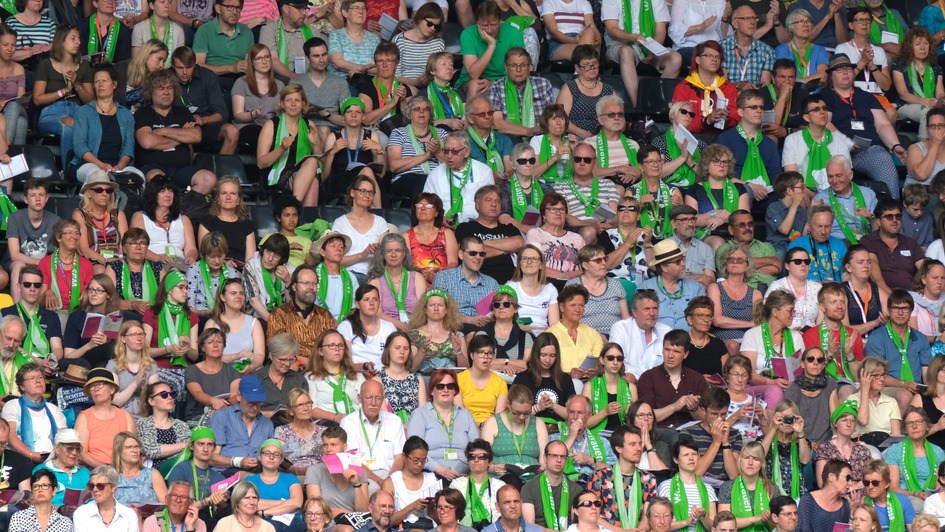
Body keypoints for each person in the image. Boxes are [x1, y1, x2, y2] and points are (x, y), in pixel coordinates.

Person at [821, 55, 903, 200]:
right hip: (837, 150)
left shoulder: (867, 96)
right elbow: (824, 122)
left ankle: (892, 209)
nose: (845, 72)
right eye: (840, 70)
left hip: (868, 149)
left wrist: (895, 145)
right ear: (831, 75)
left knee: (883, 158)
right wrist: (844, 141)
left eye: (848, 69)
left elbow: (883, 124)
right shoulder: (826, 96)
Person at [133, 69, 217, 189]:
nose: (166, 92)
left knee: (209, 179)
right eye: (161, 88)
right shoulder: (143, 113)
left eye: (170, 88)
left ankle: (189, 206)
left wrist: (163, 131)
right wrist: (182, 136)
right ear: (151, 91)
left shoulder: (183, 112)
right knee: (158, 180)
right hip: (153, 167)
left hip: (181, 168)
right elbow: (147, 142)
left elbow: (196, 136)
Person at [71, 64, 142, 185]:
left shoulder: (126, 115)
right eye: (96, 81)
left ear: (114, 84)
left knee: (139, 177)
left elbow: (128, 149)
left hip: (117, 165)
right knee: (99, 177)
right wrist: (101, 165)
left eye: (104, 81)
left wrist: (119, 167)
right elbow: (79, 147)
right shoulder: (84, 111)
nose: (100, 84)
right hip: (88, 164)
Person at [32, 25, 93, 163]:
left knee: (85, 125)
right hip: (51, 112)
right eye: (73, 39)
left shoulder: (84, 66)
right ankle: (69, 174)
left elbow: (90, 101)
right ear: (61, 41)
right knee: (70, 124)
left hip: (79, 111)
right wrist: (64, 91)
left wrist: (76, 83)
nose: (78, 42)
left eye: (79, 39)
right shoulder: (46, 65)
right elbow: (37, 99)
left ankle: (80, 171)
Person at [865, 290, 932, 412]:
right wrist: (903, 384)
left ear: (911, 310)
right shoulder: (876, 337)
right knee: (905, 395)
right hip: (885, 387)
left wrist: (929, 389)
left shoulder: (921, 338)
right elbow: (875, 375)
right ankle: (899, 432)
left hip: (916, 388)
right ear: (889, 311)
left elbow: (926, 371)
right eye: (896, 308)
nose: (900, 312)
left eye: (905, 308)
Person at [255, 84, 323, 206]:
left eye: (297, 100)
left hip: (303, 173)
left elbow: (320, 162)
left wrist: (315, 143)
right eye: (288, 100)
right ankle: (296, 207)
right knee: (312, 172)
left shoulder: (309, 125)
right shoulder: (271, 125)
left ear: (303, 104)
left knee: (314, 180)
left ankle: (301, 217)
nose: (293, 104)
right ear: (282, 104)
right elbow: (261, 163)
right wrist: (281, 148)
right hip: (277, 175)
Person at [407, 369, 480, 478]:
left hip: (464, 474)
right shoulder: (420, 414)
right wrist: (440, 469)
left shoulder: (466, 415)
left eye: (450, 386)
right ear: (432, 391)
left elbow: (476, 447)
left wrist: (466, 467)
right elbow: (415, 451)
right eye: (440, 386)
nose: (445, 390)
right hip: (431, 473)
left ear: (455, 390)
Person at [339, 379, 405, 492]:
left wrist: (390, 480)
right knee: (372, 488)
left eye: (378, 398)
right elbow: (352, 460)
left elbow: (400, 456)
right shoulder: (348, 423)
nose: (373, 403)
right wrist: (381, 482)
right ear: (360, 398)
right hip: (363, 475)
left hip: (391, 473)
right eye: (369, 397)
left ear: (383, 399)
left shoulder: (394, 421)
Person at [740, 290, 805, 402]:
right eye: (790, 311)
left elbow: (802, 369)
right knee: (775, 390)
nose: (793, 315)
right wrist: (770, 382)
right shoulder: (752, 335)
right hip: (759, 387)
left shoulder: (796, 337)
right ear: (775, 311)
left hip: (790, 387)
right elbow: (748, 373)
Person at [586, 426, 657, 529]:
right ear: (619, 448)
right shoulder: (599, 477)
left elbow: (647, 517)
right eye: (633, 444)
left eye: (640, 444)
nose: (639, 448)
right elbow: (592, 514)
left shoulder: (649, 479)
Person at [142, 270, 199, 397]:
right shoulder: (152, 313)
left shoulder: (191, 316)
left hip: (184, 369)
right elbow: (143, 351)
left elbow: (194, 356)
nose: (186, 291)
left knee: (193, 383)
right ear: (169, 289)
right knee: (175, 384)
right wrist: (168, 349)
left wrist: (187, 348)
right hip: (157, 367)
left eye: (187, 288)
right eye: (181, 287)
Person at [783, 96, 854, 194]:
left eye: (824, 108)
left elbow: (847, 176)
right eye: (816, 109)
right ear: (806, 117)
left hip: (835, 192)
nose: (822, 112)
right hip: (803, 193)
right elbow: (791, 178)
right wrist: (814, 196)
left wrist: (826, 197)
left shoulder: (839, 141)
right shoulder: (792, 140)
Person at [638, 330, 710, 429]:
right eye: (667, 349)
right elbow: (644, 417)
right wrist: (674, 407)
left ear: (685, 354)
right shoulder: (648, 377)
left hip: (689, 434)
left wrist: (694, 409)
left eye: (676, 351)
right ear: (662, 350)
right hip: (660, 433)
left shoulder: (697, 379)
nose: (670, 356)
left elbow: (706, 419)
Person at [320, 98, 384, 208]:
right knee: (367, 172)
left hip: (368, 183)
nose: (353, 115)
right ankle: (379, 213)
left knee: (367, 175)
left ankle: (375, 212)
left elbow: (381, 174)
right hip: (342, 182)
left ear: (363, 117)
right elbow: (324, 176)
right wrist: (332, 152)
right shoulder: (333, 137)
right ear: (343, 117)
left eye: (358, 112)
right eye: (349, 112)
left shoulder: (372, 136)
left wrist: (379, 149)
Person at [683, 144, 750, 247]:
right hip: (705, 236)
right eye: (716, 161)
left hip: (736, 235)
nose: (721, 165)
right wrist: (714, 213)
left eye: (725, 162)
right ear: (706, 164)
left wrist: (722, 219)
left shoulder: (739, 188)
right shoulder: (694, 189)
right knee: (718, 243)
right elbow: (692, 221)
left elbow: (744, 220)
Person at [480, 384, 547, 486]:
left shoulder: (538, 423)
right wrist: (493, 468)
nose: (521, 417)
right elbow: (481, 458)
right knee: (512, 481)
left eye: (526, 413)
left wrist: (541, 468)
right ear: (508, 404)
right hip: (503, 479)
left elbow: (545, 459)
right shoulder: (493, 422)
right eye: (516, 412)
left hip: (532, 478)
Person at [208, 375, 276, 475]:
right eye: (250, 403)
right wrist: (238, 462)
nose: (254, 408)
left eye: (258, 404)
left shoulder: (267, 423)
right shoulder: (222, 416)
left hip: (259, 473)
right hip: (227, 472)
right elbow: (211, 458)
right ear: (239, 396)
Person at [455, 186, 523, 285]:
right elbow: (467, 254)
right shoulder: (465, 228)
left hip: (510, 283)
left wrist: (480, 245)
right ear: (477, 205)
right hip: (476, 283)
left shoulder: (509, 228)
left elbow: (519, 243)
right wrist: (506, 249)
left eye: (497, 201)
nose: (494, 204)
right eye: (488, 200)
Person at [266, 265, 338, 358]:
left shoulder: (325, 315)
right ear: (294, 286)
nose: (311, 287)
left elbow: (332, 349)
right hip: (290, 368)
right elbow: (276, 350)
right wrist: (303, 362)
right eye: (306, 283)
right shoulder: (279, 314)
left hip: (320, 369)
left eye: (314, 283)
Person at [289, 37, 349, 145]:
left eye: (324, 55)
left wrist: (326, 115)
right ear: (307, 59)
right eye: (316, 56)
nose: (321, 60)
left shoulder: (340, 82)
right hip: (303, 128)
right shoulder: (296, 83)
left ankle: (318, 161)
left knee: (323, 129)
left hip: (332, 131)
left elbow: (349, 120)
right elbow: (286, 116)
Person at [0, 363, 65, 463]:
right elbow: (10, 436)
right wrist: (31, 455)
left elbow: (63, 439)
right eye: (32, 378)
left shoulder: (54, 409)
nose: (38, 381)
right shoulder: (12, 405)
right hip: (20, 461)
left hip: (52, 462)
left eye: (40, 377)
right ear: (22, 386)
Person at [6, 180, 58, 303]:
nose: (38, 199)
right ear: (26, 199)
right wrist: (40, 262)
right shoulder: (15, 218)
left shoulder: (55, 220)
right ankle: (18, 310)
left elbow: (57, 254)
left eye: (41, 195)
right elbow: (14, 255)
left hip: (44, 264)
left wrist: (44, 264)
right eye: (33, 195)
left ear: (47, 198)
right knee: (19, 264)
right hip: (19, 263)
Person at [672, 41, 739, 136]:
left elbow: (736, 122)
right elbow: (680, 123)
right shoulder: (684, 87)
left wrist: (726, 117)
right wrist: (707, 121)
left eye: (717, 57)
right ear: (698, 60)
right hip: (691, 138)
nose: (714, 59)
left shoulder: (728, 87)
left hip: (721, 138)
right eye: (709, 55)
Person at [802, 283, 864, 383]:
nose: (839, 306)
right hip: (822, 386)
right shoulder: (810, 335)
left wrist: (849, 355)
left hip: (850, 386)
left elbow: (858, 380)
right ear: (822, 307)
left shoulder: (853, 335)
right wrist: (829, 354)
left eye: (842, 302)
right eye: (833, 302)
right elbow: (810, 375)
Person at [860, 200, 926, 293]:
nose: (895, 220)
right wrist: (886, 290)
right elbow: (872, 263)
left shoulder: (910, 243)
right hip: (879, 293)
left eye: (898, 217)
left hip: (910, 295)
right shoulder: (868, 240)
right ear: (878, 222)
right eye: (889, 217)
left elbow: (924, 268)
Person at [130, 174, 196, 267]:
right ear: (153, 195)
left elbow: (191, 249)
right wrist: (159, 258)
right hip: (153, 262)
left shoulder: (184, 219)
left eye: (170, 190)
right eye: (162, 191)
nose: (168, 195)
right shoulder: (140, 217)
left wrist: (191, 257)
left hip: (180, 263)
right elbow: (138, 247)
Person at [455, 1, 524, 90]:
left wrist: (495, 83)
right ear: (477, 23)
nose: (489, 30)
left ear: (499, 21)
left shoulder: (513, 33)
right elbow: (474, 74)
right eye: (484, 25)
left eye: (493, 25)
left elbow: (520, 69)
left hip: (505, 80)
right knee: (475, 86)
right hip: (474, 81)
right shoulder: (468, 34)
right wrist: (491, 46)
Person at [74, 368, 136, 468]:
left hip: (122, 468)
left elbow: (132, 448)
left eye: (100, 384)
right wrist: (106, 470)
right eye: (92, 386)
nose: (96, 388)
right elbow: (82, 454)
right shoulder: (84, 417)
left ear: (112, 389)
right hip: (93, 469)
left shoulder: (125, 416)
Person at [640, 240, 707, 331]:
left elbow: (703, 318)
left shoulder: (696, 287)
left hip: (690, 340)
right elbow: (641, 321)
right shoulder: (645, 288)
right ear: (664, 267)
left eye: (682, 259)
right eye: (677, 262)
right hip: (658, 341)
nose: (683, 264)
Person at [679, 387, 742, 482]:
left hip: (725, 489)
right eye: (714, 414)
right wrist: (716, 442)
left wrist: (725, 443)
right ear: (703, 410)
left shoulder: (734, 434)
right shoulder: (688, 433)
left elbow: (734, 476)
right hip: (698, 487)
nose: (719, 419)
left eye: (723, 414)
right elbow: (696, 473)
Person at [366, 233, 426, 332]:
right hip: (386, 331)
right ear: (383, 254)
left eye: (398, 250)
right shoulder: (375, 280)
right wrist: (403, 327)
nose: (393, 255)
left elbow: (424, 309)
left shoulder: (417, 277)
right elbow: (377, 312)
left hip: (417, 328)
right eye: (389, 251)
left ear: (404, 253)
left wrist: (414, 329)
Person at [707, 244, 761, 355]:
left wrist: (752, 325)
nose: (735, 262)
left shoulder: (756, 294)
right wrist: (749, 324)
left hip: (748, 340)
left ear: (747, 266)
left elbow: (759, 323)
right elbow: (717, 320)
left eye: (740, 260)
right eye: (731, 259)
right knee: (732, 345)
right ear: (726, 264)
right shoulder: (715, 288)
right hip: (723, 340)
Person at [332, 179, 388, 283]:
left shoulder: (380, 222)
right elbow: (335, 260)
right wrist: (362, 255)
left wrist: (380, 250)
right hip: (347, 276)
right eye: (363, 191)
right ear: (352, 192)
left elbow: (388, 255)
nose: (367, 195)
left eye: (371, 192)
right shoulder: (340, 223)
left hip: (374, 277)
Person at [304, 426, 370, 513]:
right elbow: (316, 508)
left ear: (344, 446)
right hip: (327, 521)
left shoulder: (358, 471)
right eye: (325, 445)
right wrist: (348, 514)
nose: (328, 449)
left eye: (333, 445)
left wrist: (356, 484)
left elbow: (363, 511)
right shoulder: (314, 471)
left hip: (354, 522)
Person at [716, 441, 780, 531]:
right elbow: (723, 524)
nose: (750, 462)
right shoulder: (727, 487)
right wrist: (754, 519)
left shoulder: (773, 488)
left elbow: (778, 525)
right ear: (740, 460)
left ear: (762, 463)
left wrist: (769, 520)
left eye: (756, 459)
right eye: (746, 457)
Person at [205, 278, 265, 374]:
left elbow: (259, 354)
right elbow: (209, 356)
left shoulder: (254, 322)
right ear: (222, 297)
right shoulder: (212, 324)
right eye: (233, 293)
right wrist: (236, 356)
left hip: (250, 372)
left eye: (241, 293)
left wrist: (250, 367)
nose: (238, 296)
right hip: (220, 373)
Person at [305, 329, 366, 422]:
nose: (337, 348)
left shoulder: (357, 376)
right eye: (331, 345)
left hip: (356, 423)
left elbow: (366, 404)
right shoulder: (311, 377)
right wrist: (335, 417)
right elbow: (311, 408)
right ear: (320, 351)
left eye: (340, 345)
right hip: (326, 426)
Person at [230, 43, 283, 149]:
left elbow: (281, 114)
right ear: (252, 62)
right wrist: (254, 114)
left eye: (267, 57)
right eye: (259, 58)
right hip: (249, 126)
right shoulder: (241, 83)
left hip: (272, 126)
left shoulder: (280, 84)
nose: (264, 61)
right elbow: (238, 115)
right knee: (263, 135)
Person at [658, 439, 718, 532]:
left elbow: (713, 529)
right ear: (676, 460)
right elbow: (659, 525)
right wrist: (686, 522)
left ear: (698, 456)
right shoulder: (666, 486)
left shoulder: (708, 489)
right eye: (686, 455)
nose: (691, 458)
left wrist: (703, 516)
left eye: (694, 454)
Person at [72, 172, 126, 274]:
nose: (104, 194)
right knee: (101, 270)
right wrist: (105, 261)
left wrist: (118, 261)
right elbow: (84, 249)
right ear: (88, 193)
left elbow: (124, 245)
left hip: (117, 260)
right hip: (92, 261)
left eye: (108, 190)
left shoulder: (118, 215)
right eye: (99, 190)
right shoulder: (80, 215)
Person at [512, 332, 573, 422]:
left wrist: (552, 405)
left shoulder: (565, 379)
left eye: (552, 356)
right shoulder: (523, 378)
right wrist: (538, 407)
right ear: (536, 354)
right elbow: (515, 415)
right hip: (530, 428)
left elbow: (573, 415)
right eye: (543, 355)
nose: (548, 360)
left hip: (558, 431)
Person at [525, 193, 585, 284]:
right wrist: (563, 275)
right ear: (543, 215)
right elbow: (532, 264)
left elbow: (586, 265)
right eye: (553, 209)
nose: (558, 213)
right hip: (545, 282)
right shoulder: (535, 234)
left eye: (561, 210)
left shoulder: (577, 238)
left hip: (574, 283)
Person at [886, 407, 945, 499]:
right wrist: (915, 494)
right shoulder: (895, 450)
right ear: (905, 429)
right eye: (910, 423)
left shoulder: (938, 451)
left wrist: (931, 499)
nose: (915, 426)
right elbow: (893, 488)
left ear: (927, 426)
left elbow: (940, 486)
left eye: (919, 422)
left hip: (932, 498)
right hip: (905, 497)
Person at [246, 439, 305, 531]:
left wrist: (263, 512)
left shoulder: (290, 478)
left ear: (281, 460)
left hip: (290, 523)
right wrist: (287, 504)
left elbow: (296, 503)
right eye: (267, 453)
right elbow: (247, 503)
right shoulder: (250, 480)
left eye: (276, 454)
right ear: (260, 457)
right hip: (259, 522)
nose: (271, 457)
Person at [546, 285, 603, 380]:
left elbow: (600, 364)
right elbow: (544, 367)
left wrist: (596, 371)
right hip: (560, 383)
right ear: (562, 307)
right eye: (573, 305)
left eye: (581, 305)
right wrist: (567, 375)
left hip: (590, 383)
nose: (578, 310)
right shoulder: (550, 335)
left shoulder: (593, 334)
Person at [520, 440, 581, 530]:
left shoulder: (576, 490)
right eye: (554, 456)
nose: (559, 460)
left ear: (566, 460)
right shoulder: (528, 488)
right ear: (545, 458)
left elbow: (577, 526)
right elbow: (529, 526)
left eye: (562, 457)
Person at [715, 210, 782, 291]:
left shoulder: (766, 247)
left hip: (766, 294)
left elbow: (774, 270)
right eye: (742, 225)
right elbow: (728, 276)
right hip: (735, 294)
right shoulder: (723, 249)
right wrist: (769, 260)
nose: (747, 228)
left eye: (750, 224)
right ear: (731, 229)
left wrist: (741, 271)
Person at [192, 0, 253, 87]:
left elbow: (248, 65)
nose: (235, 12)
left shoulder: (247, 32)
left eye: (238, 8)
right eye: (230, 7)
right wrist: (232, 68)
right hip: (212, 79)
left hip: (240, 80)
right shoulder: (204, 30)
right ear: (218, 8)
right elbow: (198, 66)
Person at [106, 320, 161, 416]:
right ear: (123, 339)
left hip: (146, 416)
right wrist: (135, 383)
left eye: (141, 334)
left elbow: (155, 401)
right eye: (133, 335)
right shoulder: (112, 365)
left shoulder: (151, 365)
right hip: (121, 416)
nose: (139, 338)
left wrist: (144, 387)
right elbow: (115, 401)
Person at [197, 176, 256, 265]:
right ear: (218, 199)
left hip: (240, 270)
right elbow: (204, 254)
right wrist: (224, 264)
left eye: (233, 193)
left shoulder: (247, 225)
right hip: (214, 268)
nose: (228, 197)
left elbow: (251, 259)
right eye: (224, 193)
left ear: (238, 199)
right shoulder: (207, 222)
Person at [759, 399, 811, 500]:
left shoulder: (801, 441)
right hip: (770, 494)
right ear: (775, 417)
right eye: (783, 418)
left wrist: (800, 433)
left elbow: (805, 460)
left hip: (797, 495)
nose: (787, 422)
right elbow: (759, 456)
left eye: (791, 418)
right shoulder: (764, 440)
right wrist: (773, 428)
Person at [384, 436, 440, 529]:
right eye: (416, 460)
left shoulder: (432, 479)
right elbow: (386, 521)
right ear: (404, 456)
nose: (420, 464)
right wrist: (411, 507)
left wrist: (433, 508)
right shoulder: (392, 482)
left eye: (423, 461)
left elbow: (443, 518)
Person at [406, 193, 459, 286]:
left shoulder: (447, 234)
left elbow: (453, 263)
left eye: (428, 205)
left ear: (436, 213)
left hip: (444, 282)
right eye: (419, 205)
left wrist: (439, 274)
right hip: (415, 284)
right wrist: (424, 275)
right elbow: (406, 266)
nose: (423, 208)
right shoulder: (406, 236)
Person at [339, 285, 396, 370]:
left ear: (379, 303)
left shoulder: (389, 328)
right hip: (355, 374)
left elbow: (395, 358)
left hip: (384, 375)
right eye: (366, 299)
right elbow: (344, 362)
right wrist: (364, 367)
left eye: (375, 299)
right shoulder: (346, 327)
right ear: (357, 304)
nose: (372, 303)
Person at [813, 402, 872, 486]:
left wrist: (857, 488)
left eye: (852, 421)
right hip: (834, 497)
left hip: (861, 496)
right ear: (836, 423)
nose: (849, 424)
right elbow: (822, 483)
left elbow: (871, 479)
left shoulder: (863, 450)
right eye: (844, 420)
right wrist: (850, 488)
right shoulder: (825, 448)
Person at [135, 381, 190, 469]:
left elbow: (186, 454)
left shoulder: (181, 425)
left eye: (172, 394)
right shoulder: (143, 423)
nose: (170, 397)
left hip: (178, 471)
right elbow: (151, 450)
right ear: (151, 401)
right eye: (164, 394)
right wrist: (184, 445)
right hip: (153, 473)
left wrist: (162, 453)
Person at [258, 0, 317, 80]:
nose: (304, 12)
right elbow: (273, 60)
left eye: (305, 8)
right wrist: (296, 79)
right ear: (286, 9)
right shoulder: (269, 30)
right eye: (299, 8)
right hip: (279, 83)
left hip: (310, 80)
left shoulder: (312, 31)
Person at [719, 6, 776, 89]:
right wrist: (739, 85)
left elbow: (765, 86)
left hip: (754, 98)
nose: (752, 22)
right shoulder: (722, 47)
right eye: (747, 18)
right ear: (735, 24)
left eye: (754, 18)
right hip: (729, 98)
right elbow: (722, 86)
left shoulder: (767, 51)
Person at [274, 387, 325, 477]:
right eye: (300, 405)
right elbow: (279, 459)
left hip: (320, 476)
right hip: (292, 477)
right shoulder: (282, 431)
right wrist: (297, 471)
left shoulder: (323, 431)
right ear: (290, 411)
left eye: (308, 403)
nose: (306, 408)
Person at [849, 357, 902, 444]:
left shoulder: (891, 402)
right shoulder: (853, 399)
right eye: (877, 375)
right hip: (862, 444)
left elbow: (896, 435)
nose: (882, 379)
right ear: (864, 377)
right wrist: (865, 390)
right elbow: (863, 421)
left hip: (886, 444)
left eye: (883, 375)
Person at [766, 248, 823, 329]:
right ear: (787, 266)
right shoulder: (777, 286)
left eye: (806, 262)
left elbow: (821, 322)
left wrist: (813, 335)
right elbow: (768, 316)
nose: (803, 264)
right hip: (784, 335)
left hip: (812, 336)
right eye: (798, 262)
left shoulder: (817, 287)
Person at [186, 232, 239, 318]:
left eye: (220, 256)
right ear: (204, 255)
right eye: (212, 257)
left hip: (227, 318)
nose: (217, 261)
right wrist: (206, 312)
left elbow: (237, 307)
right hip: (199, 319)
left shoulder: (232, 273)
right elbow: (189, 308)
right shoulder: (194, 270)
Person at [392, 5, 445, 89]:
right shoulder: (399, 40)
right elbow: (394, 74)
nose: (432, 28)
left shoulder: (438, 43)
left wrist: (430, 78)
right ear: (420, 18)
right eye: (430, 24)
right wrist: (415, 82)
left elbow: (440, 73)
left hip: (430, 88)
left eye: (436, 26)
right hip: (403, 87)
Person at [243, 233, 293, 322]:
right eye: (268, 252)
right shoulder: (251, 266)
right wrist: (274, 323)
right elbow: (253, 300)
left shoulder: (289, 270)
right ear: (263, 251)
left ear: (282, 259)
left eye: (276, 256)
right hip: (255, 318)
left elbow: (292, 305)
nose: (270, 259)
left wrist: (288, 282)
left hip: (283, 318)